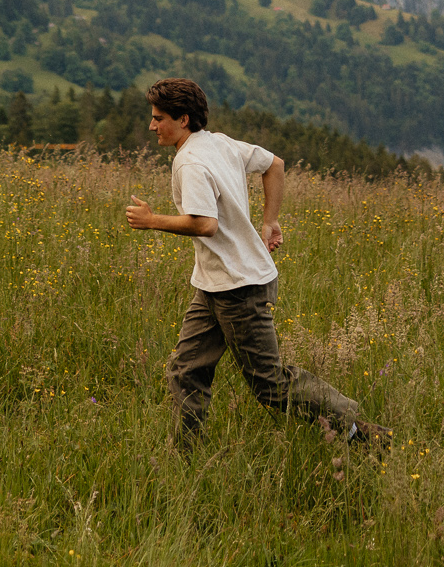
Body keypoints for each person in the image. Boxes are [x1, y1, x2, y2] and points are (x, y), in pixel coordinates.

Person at [125, 77, 388, 448]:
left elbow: (205, 224)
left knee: (270, 386)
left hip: (238, 288)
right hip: (215, 284)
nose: (152, 126)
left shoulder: (190, 163)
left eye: (158, 118)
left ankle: (360, 430)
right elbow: (274, 164)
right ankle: (185, 457)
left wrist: (152, 221)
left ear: (183, 119)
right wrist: (270, 220)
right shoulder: (219, 143)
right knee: (185, 371)